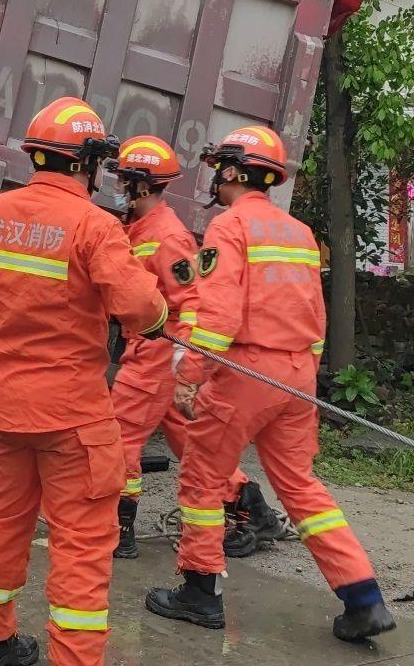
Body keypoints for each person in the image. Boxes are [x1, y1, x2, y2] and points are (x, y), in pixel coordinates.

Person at [145, 125, 395, 642]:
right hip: (298, 372)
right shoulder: (299, 233)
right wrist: (306, 374)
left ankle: (199, 593)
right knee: (301, 484)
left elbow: (217, 315)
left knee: (201, 477)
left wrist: (190, 375)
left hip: (247, 373)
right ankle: (363, 598)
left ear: (234, 171)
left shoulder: (229, 226)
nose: (216, 178)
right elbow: (315, 314)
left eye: (220, 168)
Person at [0, 97, 167, 666]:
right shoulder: (96, 226)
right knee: (81, 545)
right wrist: (162, 318)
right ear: (87, 164)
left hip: (4, 409)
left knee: (1, 521)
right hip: (73, 418)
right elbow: (140, 307)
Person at [106, 137, 280, 560]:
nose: (119, 188)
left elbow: (189, 301)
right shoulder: (142, 229)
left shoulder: (167, 236)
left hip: (157, 350)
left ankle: (119, 528)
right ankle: (249, 506)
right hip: (157, 350)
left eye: (125, 181)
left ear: (142, 186)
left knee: (119, 435)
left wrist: (182, 363)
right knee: (188, 437)